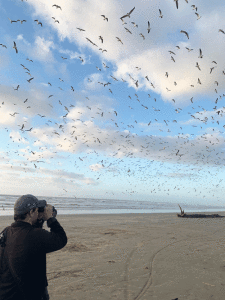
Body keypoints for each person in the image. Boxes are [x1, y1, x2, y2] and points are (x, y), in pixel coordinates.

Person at [0, 194, 67, 300]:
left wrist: (38, 221)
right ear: (31, 212)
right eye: (36, 211)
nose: (38, 212)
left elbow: (30, 238)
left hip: (7, 294)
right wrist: (50, 218)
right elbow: (61, 239)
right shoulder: (35, 236)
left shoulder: (7, 232)